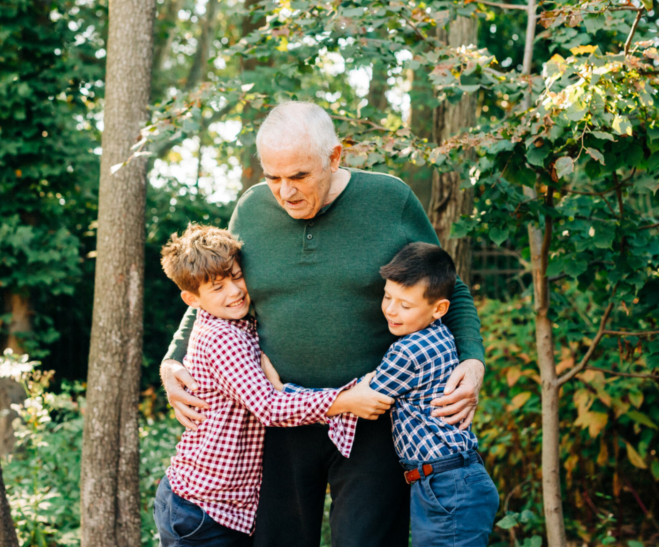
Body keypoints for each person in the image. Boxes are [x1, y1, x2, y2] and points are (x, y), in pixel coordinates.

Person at [161, 101, 486, 547]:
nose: (285, 192)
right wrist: (172, 360)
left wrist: (472, 359)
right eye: (273, 177)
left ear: (334, 158)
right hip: (277, 427)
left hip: (372, 419)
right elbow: (210, 294)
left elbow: (452, 290)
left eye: (299, 176)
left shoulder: (389, 200)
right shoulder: (251, 210)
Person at [155, 224, 391, 547]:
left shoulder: (238, 322)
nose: (234, 292)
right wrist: (347, 400)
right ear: (191, 299)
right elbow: (269, 407)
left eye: (236, 277)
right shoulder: (220, 338)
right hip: (202, 511)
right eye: (217, 288)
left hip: (223, 509)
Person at [265, 242, 500, 547]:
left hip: (445, 485)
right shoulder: (439, 334)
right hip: (452, 479)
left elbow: (362, 400)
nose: (391, 309)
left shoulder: (409, 351)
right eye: (388, 296)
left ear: (439, 308)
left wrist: (284, 391)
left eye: (406, 304)